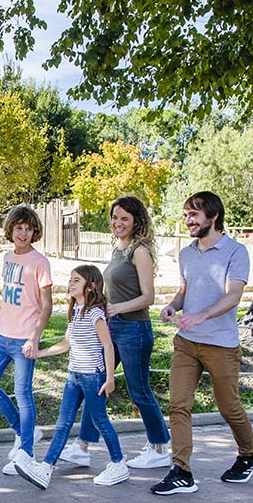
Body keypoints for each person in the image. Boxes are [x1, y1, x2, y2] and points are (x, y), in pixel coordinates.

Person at [151, 191, 253, 495]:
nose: (188, 220)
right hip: (186, 342)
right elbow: (185, 291)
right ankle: (181, 471)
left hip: (221, 345)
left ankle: (248, 456)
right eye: (186, 214)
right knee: (178, 406)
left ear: (212, 216)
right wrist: (173, 305)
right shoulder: (186, 253)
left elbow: (233, 296)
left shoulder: (236, 252)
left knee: (229, 408)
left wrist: (201, 316)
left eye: (193, 214)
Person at [59, 196, 171, 469]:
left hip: (135, 330)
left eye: (125, 219)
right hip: (114, 327)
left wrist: (117, 308)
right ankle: (82, 447)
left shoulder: (139, 251)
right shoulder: (119, 248)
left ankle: (160, 447)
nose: (118, 223)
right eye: (115, 217)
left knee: (139, 390)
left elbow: (148, 297)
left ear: (136, 221)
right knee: (96, 383)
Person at [15, 265, 130, 489]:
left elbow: (107, 346)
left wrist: (109, 378)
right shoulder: (76, 310)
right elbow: (66, 344)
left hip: (92, 376)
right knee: (63, 424)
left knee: (100, 421)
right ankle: (46, 468)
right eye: (70, 279)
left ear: (91, 286)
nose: (70, 283)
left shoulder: (96, 313)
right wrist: (40, 353)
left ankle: (118, 464)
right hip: (74, 376)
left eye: (76, 280)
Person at [0, 204, 52, 475]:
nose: (23, 233)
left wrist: (35, 337)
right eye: (18, 228)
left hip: (24, 340)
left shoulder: (40, 262)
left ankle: (26, 455)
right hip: (1, 336)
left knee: (23, 394)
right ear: (10, 230)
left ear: (35, 231)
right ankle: (24, 432)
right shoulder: (8, 258)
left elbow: (46, 305)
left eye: (28, 228)